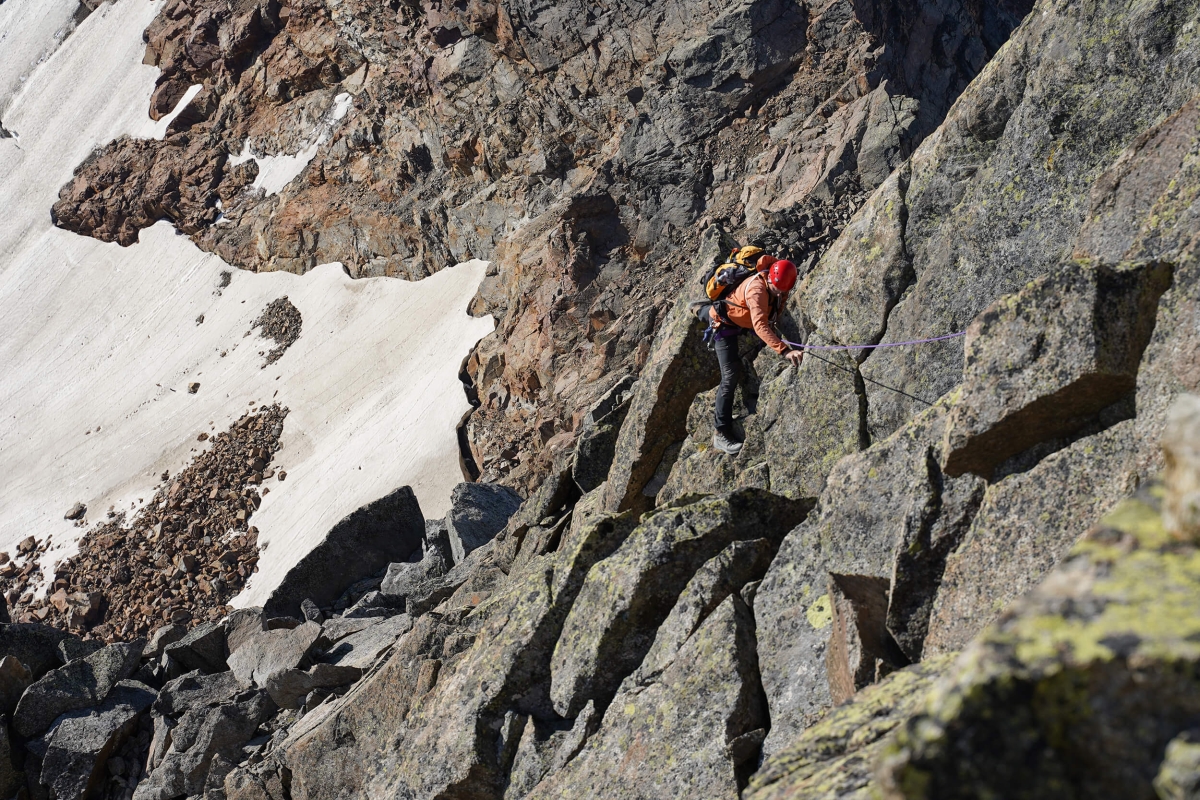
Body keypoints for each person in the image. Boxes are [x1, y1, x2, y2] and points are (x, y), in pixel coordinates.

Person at [691, 257, 802, 455]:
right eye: (777, 289)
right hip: (723, 323)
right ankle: (720, 432)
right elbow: (760, 326)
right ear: (770, 279)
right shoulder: (757, 290)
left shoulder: (780, 284)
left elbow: (774, 311)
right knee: (730, 375)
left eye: (783, 290)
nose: (780, 293)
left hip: (740, 318)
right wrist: (785, 350)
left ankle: (703, 308)